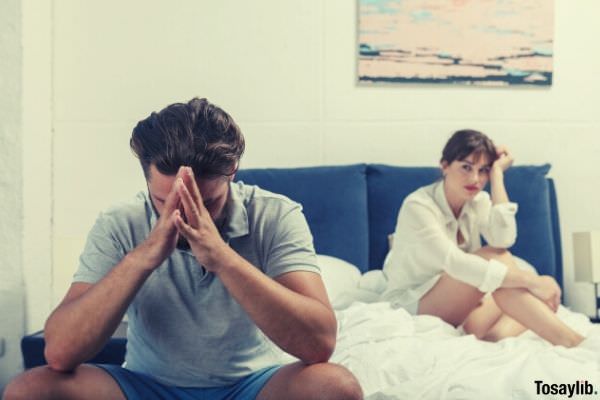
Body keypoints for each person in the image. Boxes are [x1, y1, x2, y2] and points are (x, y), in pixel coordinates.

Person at [4, 98, 363, 400]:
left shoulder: (275, 214)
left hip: (252, 386)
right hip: (148, 385)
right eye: (164, 200)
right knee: (29, 389)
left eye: (207, 202)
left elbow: (319, 345)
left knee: (335, 386)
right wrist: (144, 257)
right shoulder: (120, 222)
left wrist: (222, 258)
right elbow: (59, 352)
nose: (184, 214)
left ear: (232, 171)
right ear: (145, 177)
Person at [382, 129, 584, 347]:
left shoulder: (477, 200)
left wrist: (498, 176)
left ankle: (494, 339)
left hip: (457, 302)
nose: (475, 179)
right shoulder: (418, 206)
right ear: (445, 165)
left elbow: (503, 239)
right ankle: (572, 341)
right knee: (497, 260)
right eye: (466, 167)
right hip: (414, 302)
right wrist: (533, 281)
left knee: (530, 293)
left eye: (483, 170)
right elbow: (457, 264)